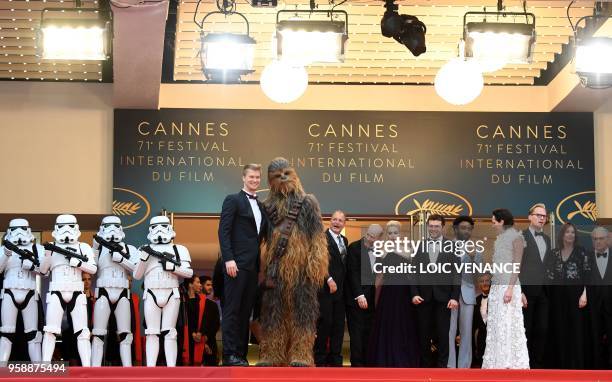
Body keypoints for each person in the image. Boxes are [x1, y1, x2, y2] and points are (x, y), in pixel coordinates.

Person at [218, 164, 268, 366]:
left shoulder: (262, 206)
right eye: (251, 177)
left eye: (257, 177)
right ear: (243, 178)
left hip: (252, 267)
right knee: (232, 310)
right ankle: (229, 354)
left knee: (245, 312)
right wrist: (228, 259)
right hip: (235, 265)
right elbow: (224, 231)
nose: (255, 180)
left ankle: (240, 354)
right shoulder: (233, 200)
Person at [134, 215, 193, 367]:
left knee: (170, 332)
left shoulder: (179, 249)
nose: (159, 230)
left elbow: (189, 273)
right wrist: (143, 258)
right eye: (155, 227)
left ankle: (171, 368)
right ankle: (150, 369)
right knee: (151, 332)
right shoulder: (144, 249)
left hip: (171, 292)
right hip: (152, 292)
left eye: (163, 226)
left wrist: (172, 267)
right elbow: (137, 275)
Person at [40, 214, 97, 366]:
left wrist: (77, 263)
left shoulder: (83, 247)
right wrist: (47, 255)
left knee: (83, 332)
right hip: (56, 291)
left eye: (70, 226)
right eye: (62, 226)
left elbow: (92, 268)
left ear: (76, 228)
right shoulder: (51, 247)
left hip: (77, 292)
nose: (66, 230)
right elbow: (43, 272)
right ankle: (45, 365)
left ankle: (87, 367)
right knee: (50, 330)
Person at [367, 221, 419, 367]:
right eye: (390, 233)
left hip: (404, 293)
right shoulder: (381, 251)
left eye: (395, 233)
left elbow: (412, 273)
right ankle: (385, 359)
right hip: (388, 293)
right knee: (387, 325)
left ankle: (403, 359)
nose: (393, 236)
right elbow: (378, 275)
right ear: (387, 235)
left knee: (403, 325)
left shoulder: (408, 251)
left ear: (400, 234)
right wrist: (375, 295)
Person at [482, 208, 529, 369]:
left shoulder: (516, 238)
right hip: (497, 287)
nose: (492, 223)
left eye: (493, 220)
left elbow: (516, 266)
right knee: (496, 324)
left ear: (502, 221)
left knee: (508, 322)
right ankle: (496, 361)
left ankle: (509, 362)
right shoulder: (499, 239)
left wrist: (511, 289)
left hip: (507, 287)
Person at [410, 214, 460, 368]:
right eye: (430, 226)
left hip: (444, 299)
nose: (433, 229)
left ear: (442, 227)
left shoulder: (452, 246)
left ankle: (442, 368)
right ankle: (425, 367)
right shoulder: (421, 245)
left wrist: (454, 297)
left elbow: (457, 273)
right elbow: (414, 272)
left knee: (443, 334)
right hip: (423, 298)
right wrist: (414, 293)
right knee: (423, 334)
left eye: (436, 226)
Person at [91, 216, 138, 367]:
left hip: (122, 291)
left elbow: (137, 271)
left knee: (125, 334)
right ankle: (94, 370)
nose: (111, 229)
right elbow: (91, 268)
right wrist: (95, 248)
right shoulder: (99, 248)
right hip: (103, 290)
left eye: (115, 226)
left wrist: (121, 259)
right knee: (98, 333)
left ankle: (128, 370)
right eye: (108, 226)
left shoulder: (130, 249)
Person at [544, 222, 588, 369]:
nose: (570, 235)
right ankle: (560, 367)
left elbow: (588, 275)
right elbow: (548, 276)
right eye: (567, 232)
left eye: (573, 232)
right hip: (557, 297)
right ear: (562, 235)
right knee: (559, 330)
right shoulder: (553, 253)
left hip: (577, 297)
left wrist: (584, 294)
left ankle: (577, 367)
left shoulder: (582, 252)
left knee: (576, 331)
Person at [0, 218, 44, 363]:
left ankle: (38, 369)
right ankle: (2, 368)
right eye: (15, 229)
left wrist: (31, 266)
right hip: (9, 291)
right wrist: (6, 254)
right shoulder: (3, 249)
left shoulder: (37, 249)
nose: (19, 233)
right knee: (6, 333)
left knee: (33, 335)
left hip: (30, 292)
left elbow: (45, 271)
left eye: (22, 229)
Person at [345, 224, 383, 367]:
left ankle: (367, 366)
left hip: (371, 298)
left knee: (368, 331)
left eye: (373, 237)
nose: (369, 239)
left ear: (379, 238)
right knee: (357, 334)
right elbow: (352, 273)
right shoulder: (354, 248)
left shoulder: (378, 250)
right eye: (368, 235)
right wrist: (359, 295)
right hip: (356, 298)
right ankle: (357, 366)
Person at [314, 210, 348, 367]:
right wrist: (329, 279)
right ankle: (320, 358)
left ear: (344, 223)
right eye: (334, 219)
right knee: (325, 323)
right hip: (325, 290)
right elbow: (318, 262)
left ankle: (335, 358)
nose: (337, 222)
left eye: (340, 220)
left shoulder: (345, 241)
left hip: (341, 292)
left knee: (338, 325)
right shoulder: (321, 238)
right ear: (329, 221)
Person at [448, 216, 483, 368]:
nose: (467, 231)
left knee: (467, 332)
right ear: (455, 229)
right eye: (463, 228)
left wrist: (474, 257)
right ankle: (450, 365)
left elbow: (480, 274)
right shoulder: (446, 246)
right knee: (449, 331)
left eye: (469, 228)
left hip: (469, 294)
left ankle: (464, 367)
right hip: (449, 295)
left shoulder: (476, 250)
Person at [520, 203, 552, 368]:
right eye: (538, 215)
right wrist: (520, 291)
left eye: (544, 216)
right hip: (526, 293)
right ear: (529, 217)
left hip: (544, 293)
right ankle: (526, 366)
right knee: (526, 330)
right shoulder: (520, 237)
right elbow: (515, 267)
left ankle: (538, 366)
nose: (541, 218)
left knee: (542, 329)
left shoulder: (547, 239)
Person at [585, 226, 612, 369]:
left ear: (608, 239)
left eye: (601, 239)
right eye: (595, 239)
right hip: (592, 307)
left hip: (611, 306)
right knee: (594, 340)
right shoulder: (586, 257)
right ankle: (597, 371)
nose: (598, 242)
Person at [472, 273, 491, 368]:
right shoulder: (476, 300)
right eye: (482, 281)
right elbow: (474, 324)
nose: (484, 283)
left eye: (487, 281)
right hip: (481, 341)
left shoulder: (497, 299)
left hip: (494, 339)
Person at [200, 275, 220, 366]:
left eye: (211, 285)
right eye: (208, 285)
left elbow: (216, 325)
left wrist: (206, 340)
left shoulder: (213, 305)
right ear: (201, 286)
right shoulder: (194, 303)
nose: (211, 287)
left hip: (211, 343)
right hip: (196, 343)